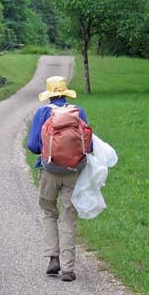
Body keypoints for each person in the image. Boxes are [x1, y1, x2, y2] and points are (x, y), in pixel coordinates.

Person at [27, 75, 89, 282]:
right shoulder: (78, 111)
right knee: (69, 217)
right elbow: (87, 145)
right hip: (73, 172)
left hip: (49, 171)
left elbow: (33, 146)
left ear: (49, 95)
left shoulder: (42, 112)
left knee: (49, 213)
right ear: (65, 92)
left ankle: (53, 258)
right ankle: (69, 268)